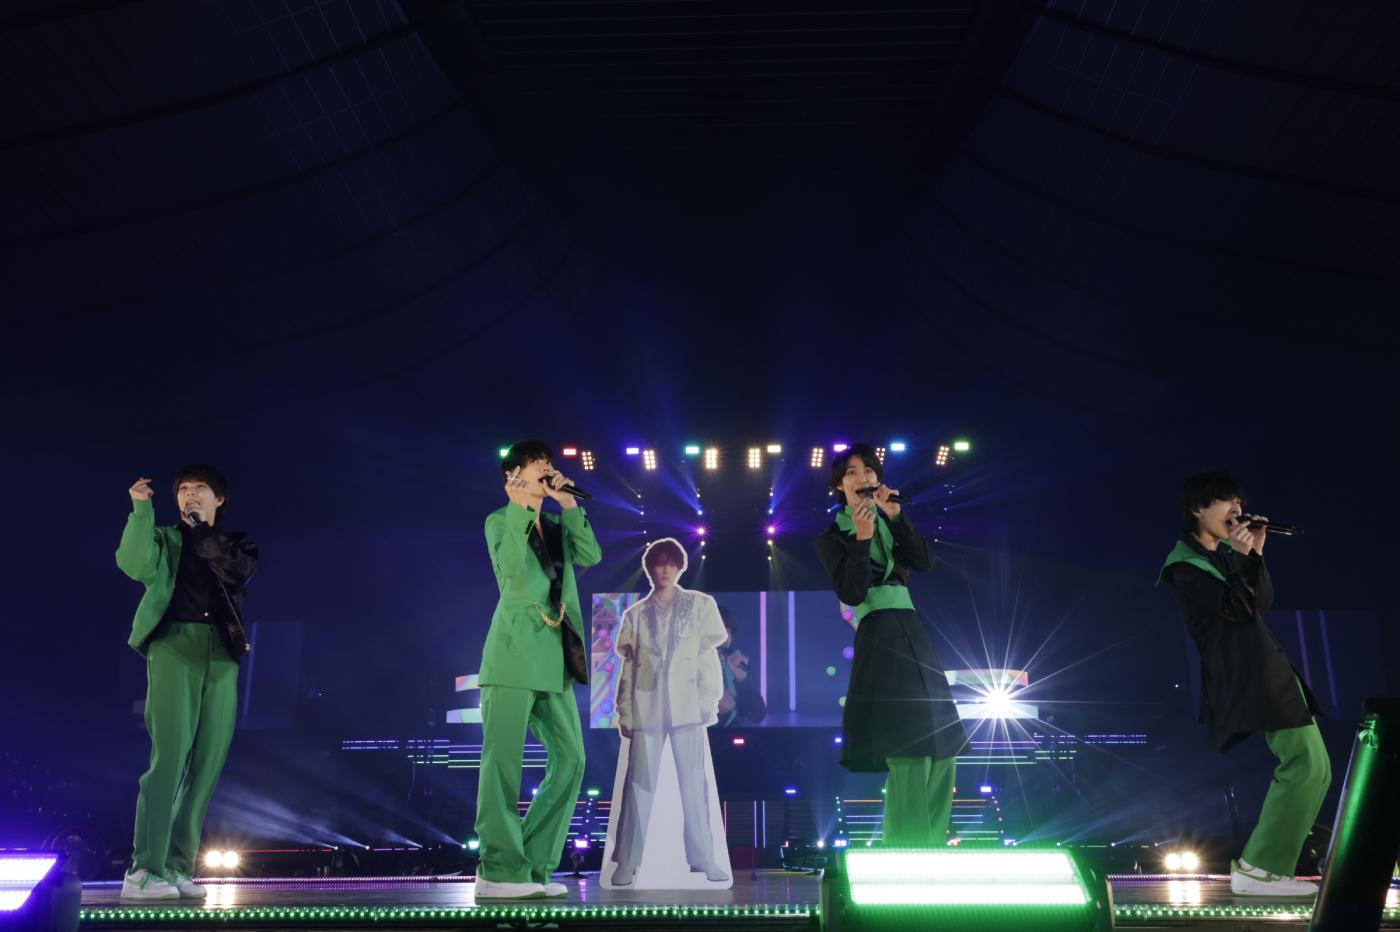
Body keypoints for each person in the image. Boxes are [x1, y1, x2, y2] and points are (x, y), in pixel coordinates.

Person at [1159, 470, 1330, 897]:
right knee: (1303, 765)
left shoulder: (1225, 555)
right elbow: (1237, 610)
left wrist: (1254, 554)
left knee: (1317, 769)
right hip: (1247, 675)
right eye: (1225, 501)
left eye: (1239, 501)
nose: (1237, 509)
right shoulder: (1183, 566)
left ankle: (1270, 870)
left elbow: (1261, 603)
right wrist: (1241, 556)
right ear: (1197, 509)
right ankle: (1259, 870)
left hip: (1272, 670)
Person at [813, 444, 968, 847]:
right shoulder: (832, 537)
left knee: (943, 744)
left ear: (878, 479)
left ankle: (932, 846)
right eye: (851, 473)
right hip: (879, 633)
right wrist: (861, 540)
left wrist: (897, 516)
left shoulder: (890, 519)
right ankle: (905, 848)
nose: (861, 478)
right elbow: (851, 590)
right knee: (908, 744)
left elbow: (924, 562)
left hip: (913, 630)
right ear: (839, 485)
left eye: (868, 471)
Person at [117, 465, 257, 900]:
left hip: (222, 653)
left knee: (207, 763)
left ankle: (177, 867)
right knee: (170, 757)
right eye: (182, 489)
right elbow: (134, 564)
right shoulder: (164, 538)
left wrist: (201, 531)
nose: (189, 494)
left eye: (200, 489)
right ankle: (144, 869)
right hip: (175, 644)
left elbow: (235, 573)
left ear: (219, 499)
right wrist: (141, 511)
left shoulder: (238, 544)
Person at [475, 439, 600, 899]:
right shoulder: (500, 520)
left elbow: (590, 554)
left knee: (571, 759)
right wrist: (520, 508)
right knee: (502, 765)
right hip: (512, 655)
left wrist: (568, 505)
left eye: (549, 462)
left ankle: (529, 867)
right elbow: (508, 569)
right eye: (538, 463)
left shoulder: (556, 524)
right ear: (514, 475)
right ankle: (497, 870)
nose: (548, 468)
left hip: (554, 659)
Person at [610, 538, 730, 885]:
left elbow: (707, 657)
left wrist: (707, 700)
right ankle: (627, 861)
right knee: (638, 785)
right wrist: (625, 711)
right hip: (646, 705)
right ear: (649, 568)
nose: (664, 569)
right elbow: (628, 670)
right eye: (658, 563)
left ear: (680, 567)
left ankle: (704, 859)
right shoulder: (634, 614)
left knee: (693, 784)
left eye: (670, 563)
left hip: (687, 704)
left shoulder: (700, 604)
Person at [715, 606, 767, 727]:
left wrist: (742, 680)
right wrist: (712, 705)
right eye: (712, 633)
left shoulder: (736, 667)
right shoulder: (689, 668)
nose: (718, 640)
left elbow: (758, 716)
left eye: (724, 633)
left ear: (731, 637)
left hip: (731, 736)